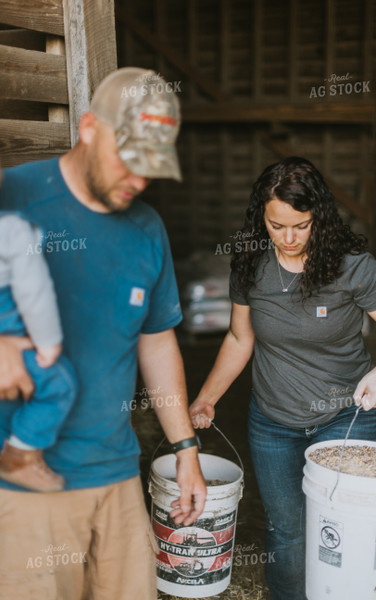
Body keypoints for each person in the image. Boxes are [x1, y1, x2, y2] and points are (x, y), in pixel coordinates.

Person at [0, 67, 206, 600]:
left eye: (151, 165)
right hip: (27, 485)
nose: (138, 178)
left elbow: (156, 341)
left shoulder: (146, 230)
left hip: (116, 474)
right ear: (89, 127)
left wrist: (185, 449)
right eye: (129, 157)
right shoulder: (15, 195)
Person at [189, 156, 376, 600]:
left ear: (317, 218)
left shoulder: (351, 265)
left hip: (347, 418)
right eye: (276, 225)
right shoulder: (249, 265)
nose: (287, 238)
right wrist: (206, 398)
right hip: (273, 422)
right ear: (260, 218)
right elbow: (239, 339)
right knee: (286, 531)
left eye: (300, 226)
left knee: (345, 524)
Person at [0, 210, 77, 492]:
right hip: (11, 331)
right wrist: (48, 342)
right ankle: (17, 458)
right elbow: (34, 291)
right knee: (59, 384)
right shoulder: (12, 229)